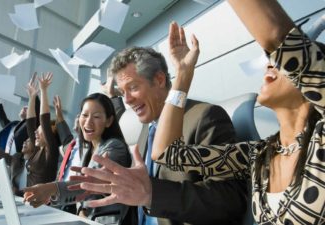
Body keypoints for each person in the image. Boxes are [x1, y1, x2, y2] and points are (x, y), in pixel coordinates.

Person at [148, 1, 325, 224]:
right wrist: (183, 75)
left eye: (279, 62)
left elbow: (280, 41)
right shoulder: (258, 155)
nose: (269, 64)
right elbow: (167, 154)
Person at [73, 44, 249, 225]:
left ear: (159, 80)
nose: (127, 100)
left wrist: (151, 193)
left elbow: (230, 201)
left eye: (133, 87)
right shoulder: (146, 131)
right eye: (122, 92)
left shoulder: (204, 117)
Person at [23, 93, 132, 225]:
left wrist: (50, 188)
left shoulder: (114, 148)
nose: (88, 121)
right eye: (84, 115)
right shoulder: (86, 149)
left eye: (96, 117)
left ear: (109, 121)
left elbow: (91, 184)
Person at [25, 72, 60, 187]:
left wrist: (43, 90)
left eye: (39, 131)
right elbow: (30, 123)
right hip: (28, 200)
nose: (35, 132)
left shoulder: (51, 152)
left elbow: (44, 121)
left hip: (42, 203)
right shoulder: (37, 149)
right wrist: (32, 97)